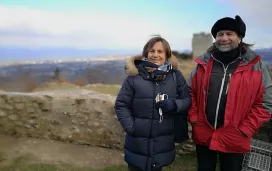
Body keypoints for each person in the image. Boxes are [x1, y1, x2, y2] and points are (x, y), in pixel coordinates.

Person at [188, 15, 272, 171]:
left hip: (235, 137)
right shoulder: (203, 64)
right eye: (220, 34)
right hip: (204, 134)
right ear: (215, 38)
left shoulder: (256, 66)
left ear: (239, 38)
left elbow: (266, 103)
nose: (224, 38)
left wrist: (245, 129)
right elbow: (190, 92)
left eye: (229, 33)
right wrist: (195, 119)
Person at [114, 35, 191, 171]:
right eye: (152, 51)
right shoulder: (134, 77)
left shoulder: (175, 76)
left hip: (163, 142)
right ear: (146, 53)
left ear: (166, 55)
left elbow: (187, 100)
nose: (155, 55)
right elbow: (121, 105)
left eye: (160, 51)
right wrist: (132, 127)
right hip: (138, 142)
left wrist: (174, 105)